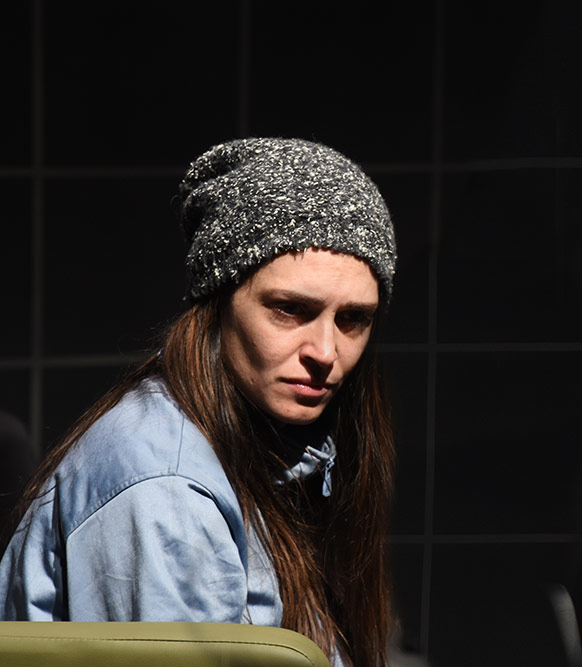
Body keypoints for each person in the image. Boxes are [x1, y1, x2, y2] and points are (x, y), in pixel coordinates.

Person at [0, 138, 398, 667]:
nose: (326, 352)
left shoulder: (276, 445)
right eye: (288, 309)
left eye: (353, 319)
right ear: (217, 304)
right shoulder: (165, 493)